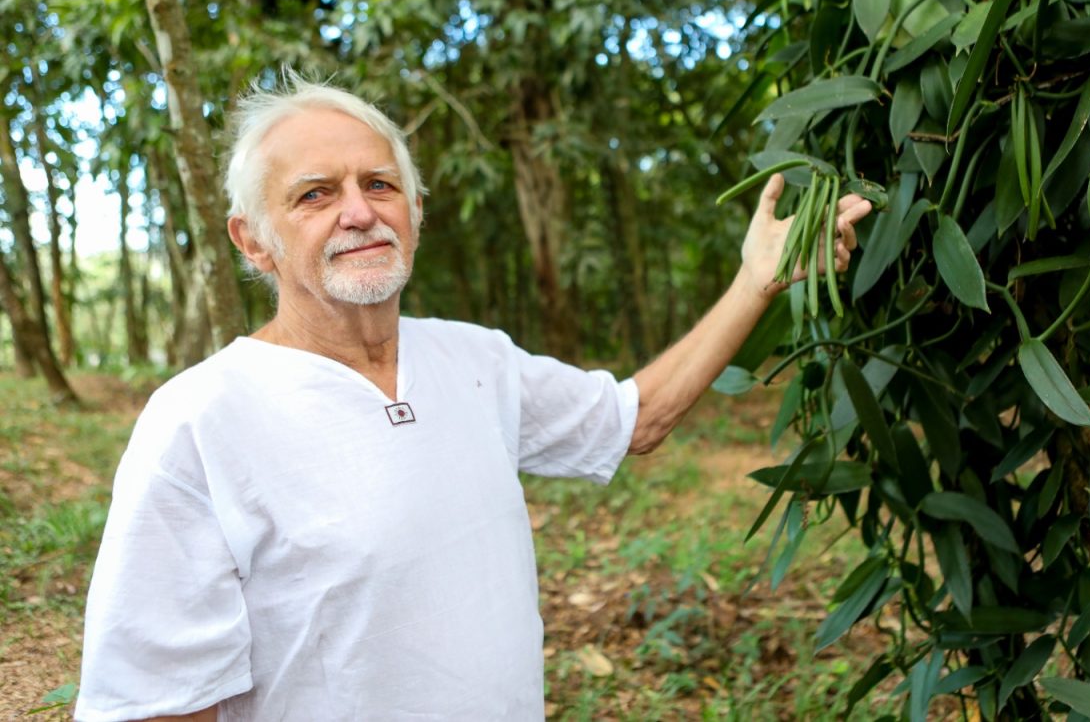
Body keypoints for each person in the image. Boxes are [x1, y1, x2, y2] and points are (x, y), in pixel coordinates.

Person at [75, 73, 872, 722]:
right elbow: (158, 701)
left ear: (415, 213)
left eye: (380, 184)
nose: (359, 211)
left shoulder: (475, 359)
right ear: (253, 240)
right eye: (315, 195)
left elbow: (638, 417)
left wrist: (755, 281)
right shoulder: (199, 420)